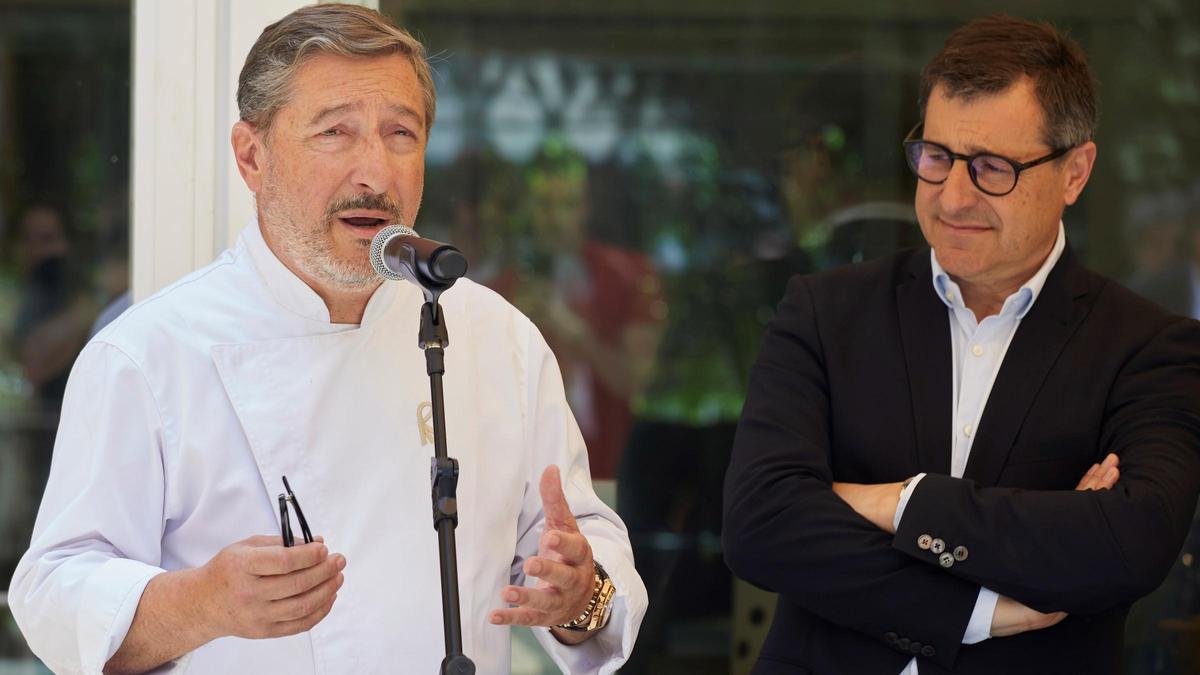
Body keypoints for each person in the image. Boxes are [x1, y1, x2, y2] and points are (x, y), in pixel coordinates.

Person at [8, 5, 646, 674]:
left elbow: (580, 552)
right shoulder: (147, 352)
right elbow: (53, 590)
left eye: (401, 132)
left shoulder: (499, 338)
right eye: (335, 131)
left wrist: (581, 595)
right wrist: (198, 603)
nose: (374, 170)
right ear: (251, 156)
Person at [723, 15, 1200, 675]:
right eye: (937, 156)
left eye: (991, 168)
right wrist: (979, 607)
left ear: (1075, 171)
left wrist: (896, 500)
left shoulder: (1149, 346)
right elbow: (759, 527)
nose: (952, 195)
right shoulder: (824, 312)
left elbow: (1129, 544)